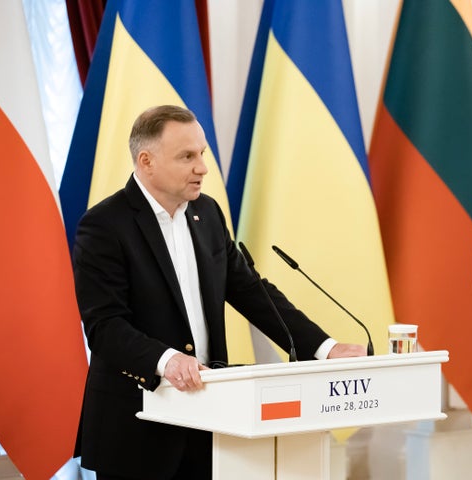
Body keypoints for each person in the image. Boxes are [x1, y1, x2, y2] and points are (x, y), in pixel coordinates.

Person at [72, 105, 366, 480]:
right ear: (146, 161)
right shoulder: (104, 226)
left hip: (209, 420)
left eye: (203, 154)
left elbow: (252, 291)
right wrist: (167, 360)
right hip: (137, 428)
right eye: (187, 156)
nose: (202, 168)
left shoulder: (207, 213)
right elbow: (105, 325)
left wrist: (324, 349)